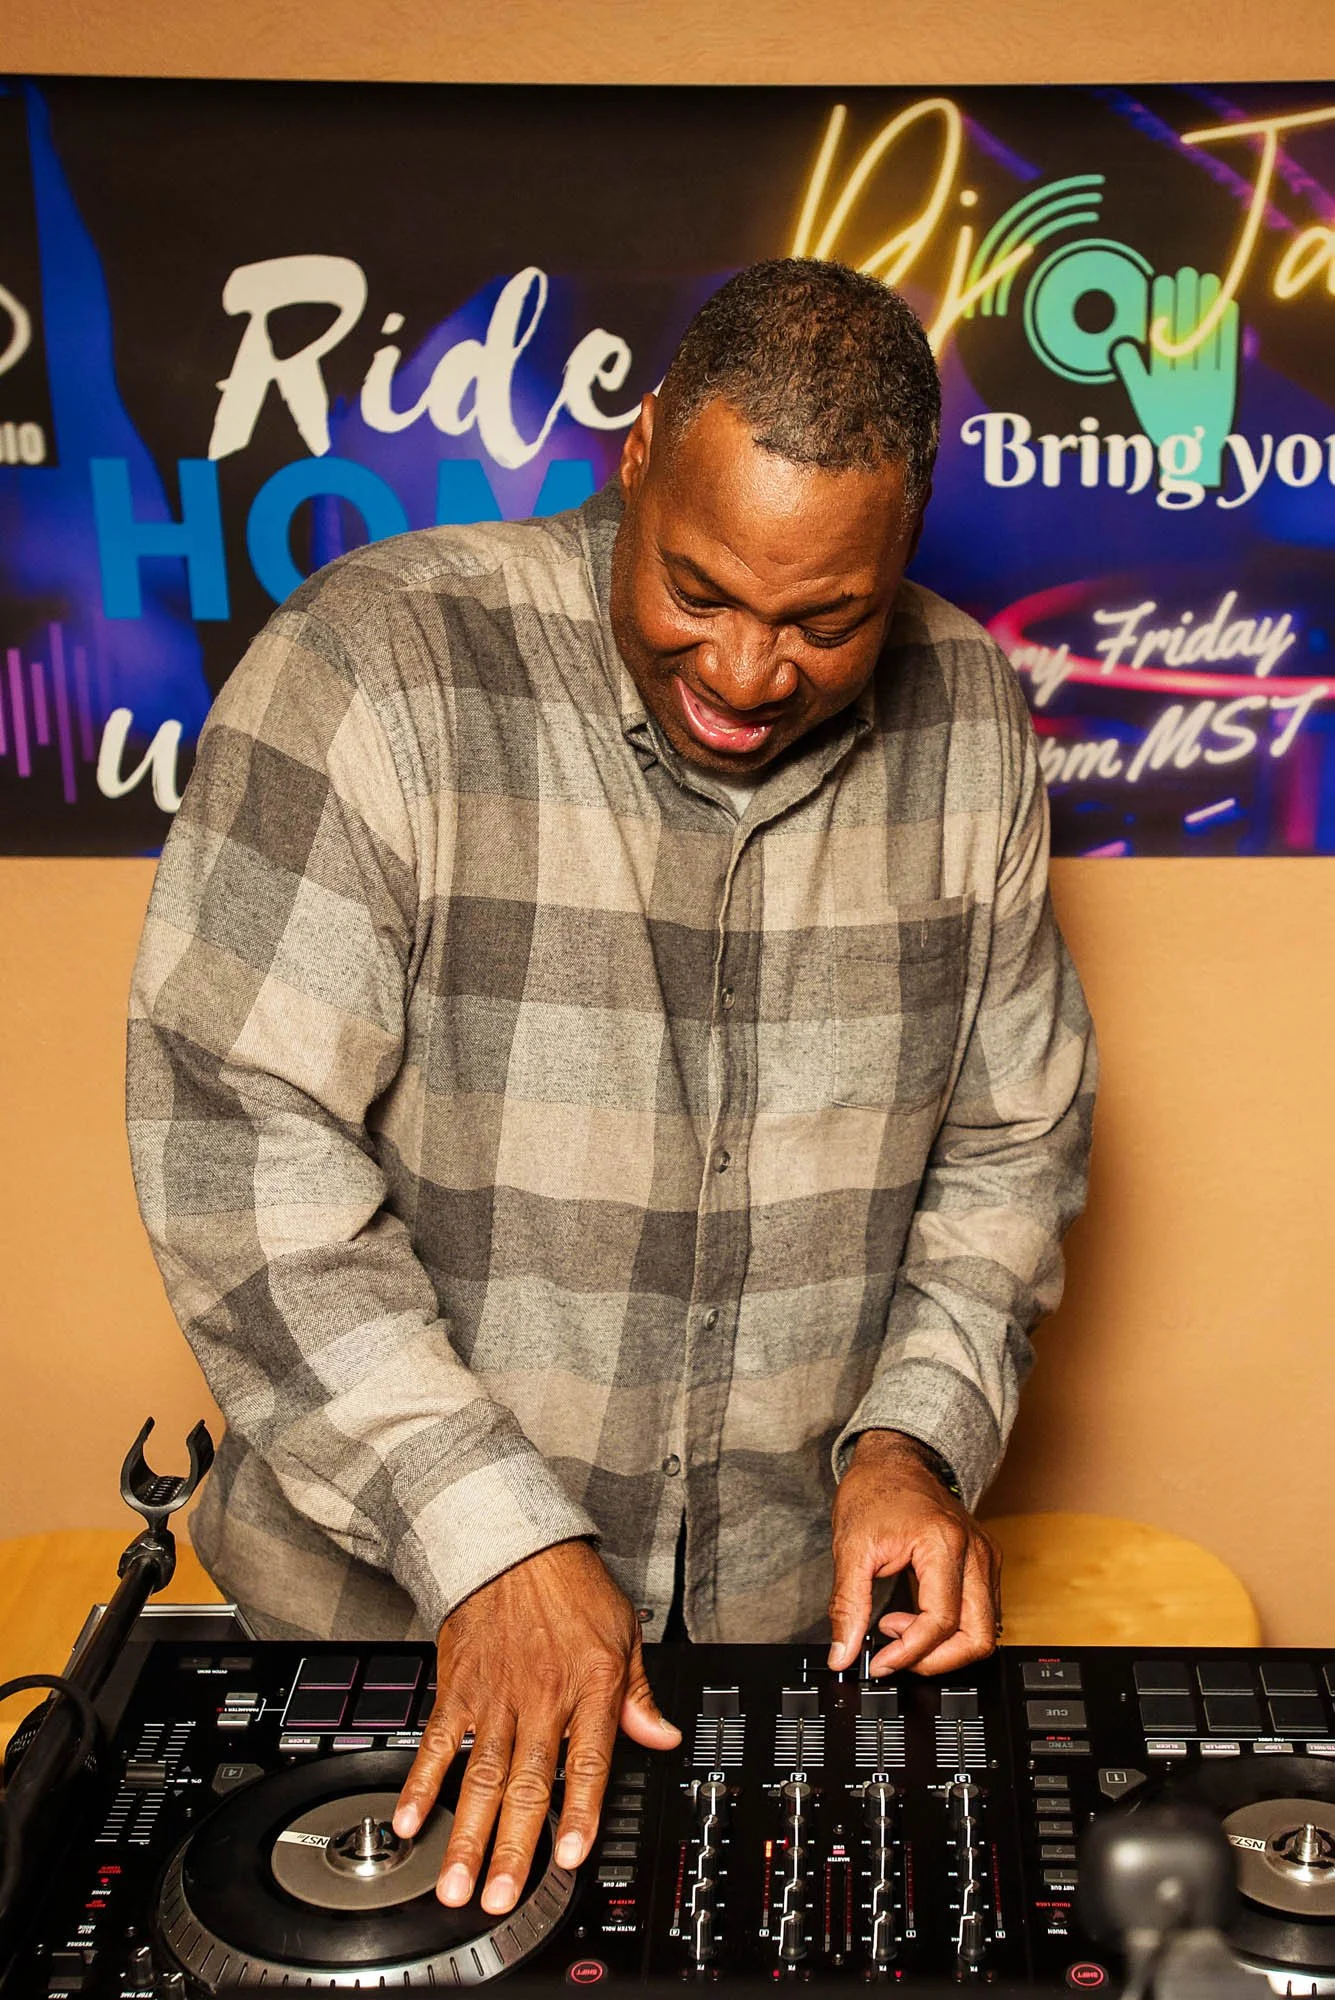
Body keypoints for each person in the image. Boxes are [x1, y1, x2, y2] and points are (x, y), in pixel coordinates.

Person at [127, 259, 1095, 1918]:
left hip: (784, 1658)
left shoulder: (975, 731)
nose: (743, 671)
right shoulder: (375, 666)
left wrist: (908, 1442)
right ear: (639, 449)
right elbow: (240, 1151)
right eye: (700, 589)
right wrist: (491, 1533)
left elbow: (1008, 1142)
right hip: (383, 1638)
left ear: (906, 546)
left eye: (822, 620)